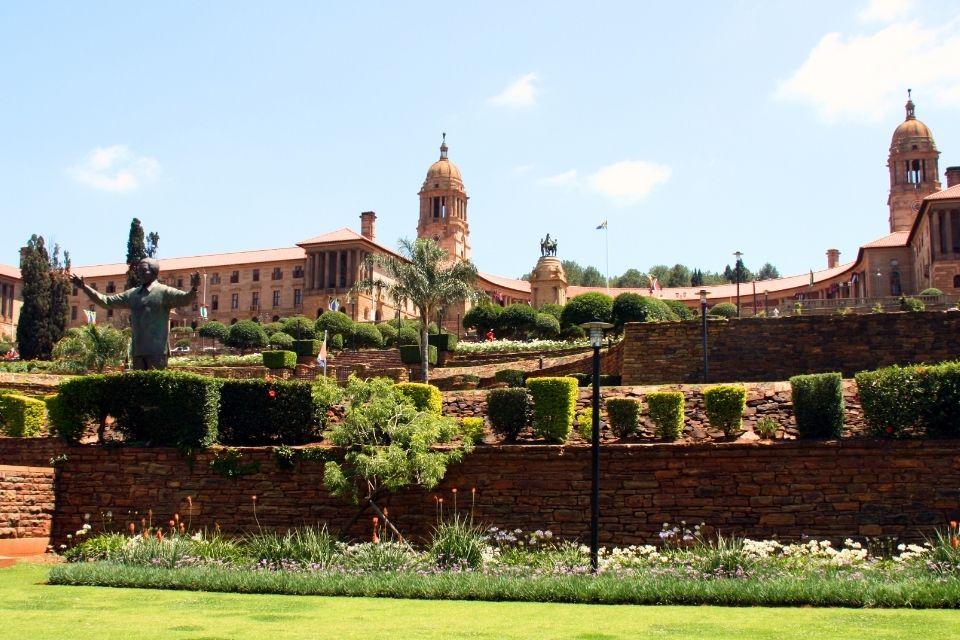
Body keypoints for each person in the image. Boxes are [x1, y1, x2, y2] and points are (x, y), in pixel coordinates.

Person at [71, 258, 199, 370]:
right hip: (138, 350)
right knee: (139, 390)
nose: (140, 274)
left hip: (157, 351)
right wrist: (84, 287)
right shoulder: (132, 294)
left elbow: (186, 299)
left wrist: (194, 289)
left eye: (144, 271)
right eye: (139, 271)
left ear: (154, 272)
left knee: (156, 390)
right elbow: (106, 301)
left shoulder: (164, 292)